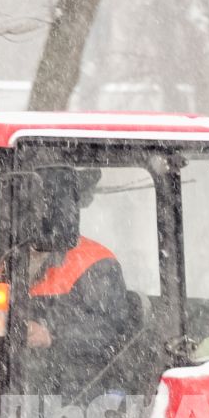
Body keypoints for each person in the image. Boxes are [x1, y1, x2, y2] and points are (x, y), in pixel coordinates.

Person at [21, 168, 132, 399]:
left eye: (41, 209)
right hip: (17, 386)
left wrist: (52, 335)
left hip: (77, 392)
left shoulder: (96, 264)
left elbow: (111, 330)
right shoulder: (9, 261)